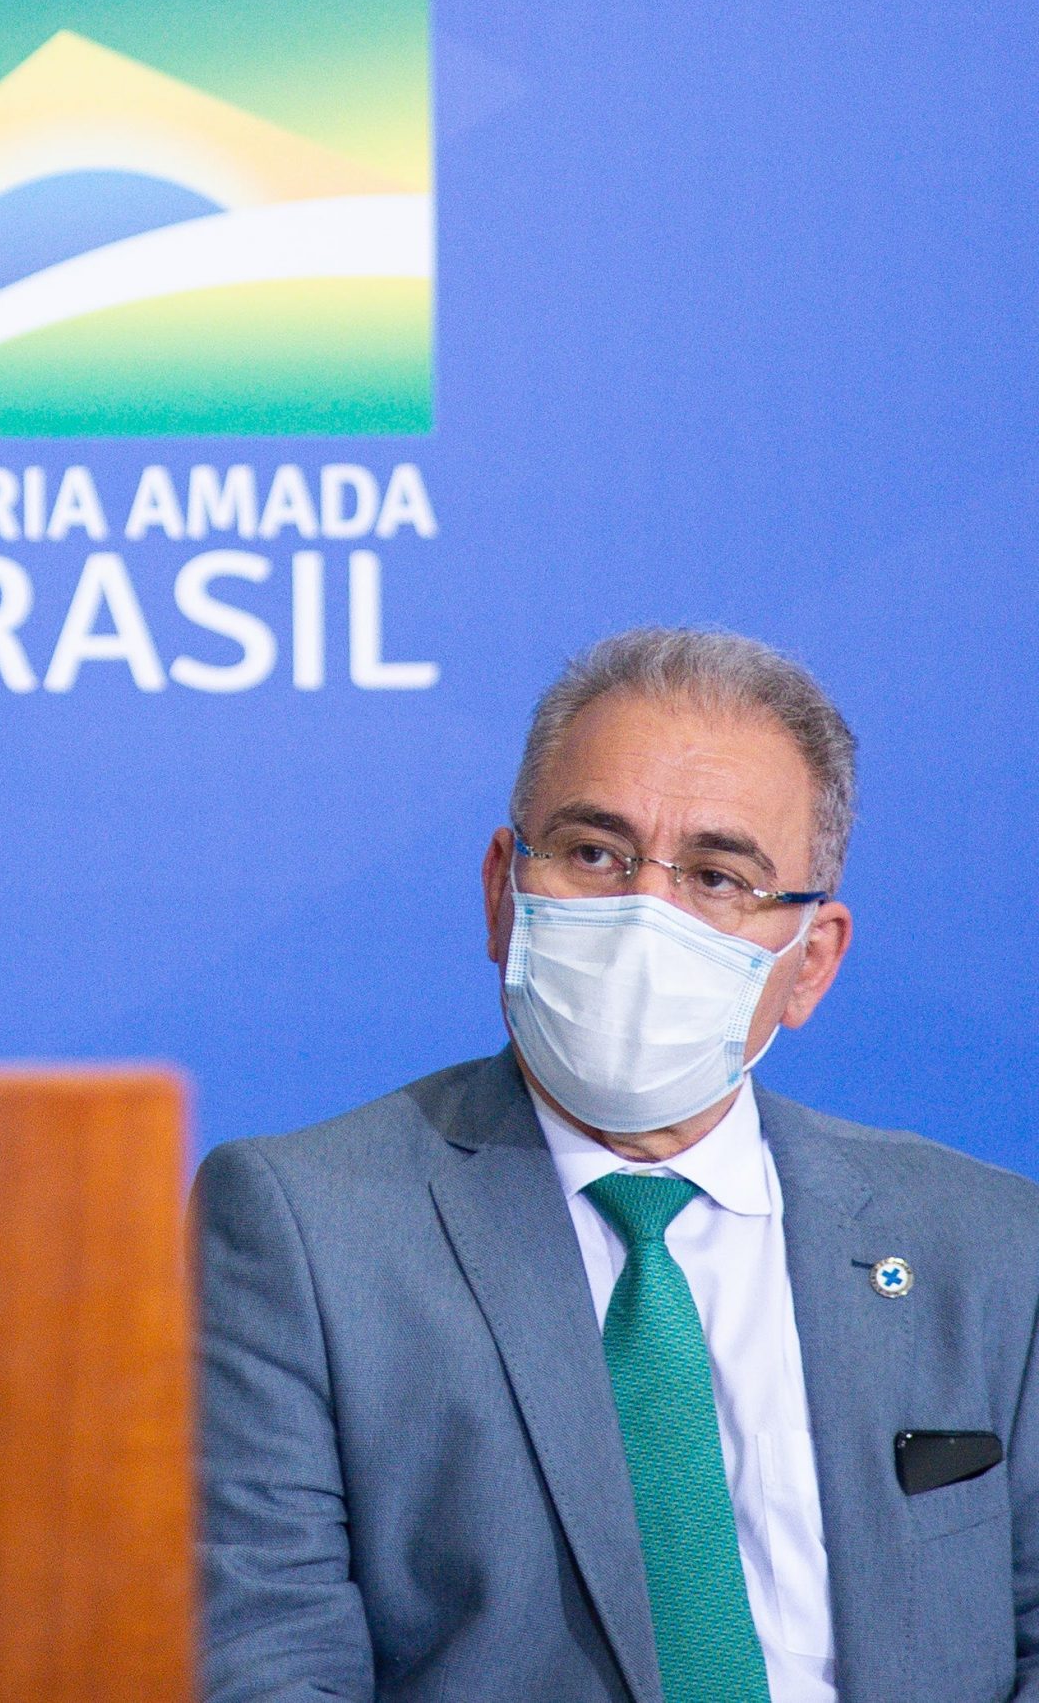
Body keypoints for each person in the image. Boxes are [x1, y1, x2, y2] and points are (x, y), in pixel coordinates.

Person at [197, 627, 1039, 1703]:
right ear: (504, 891)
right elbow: (265, 1666)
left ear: (808, 963)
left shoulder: (988, 1248)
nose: (648, 911)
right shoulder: (305, 1231)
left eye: (718, 875)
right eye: (593, 854)